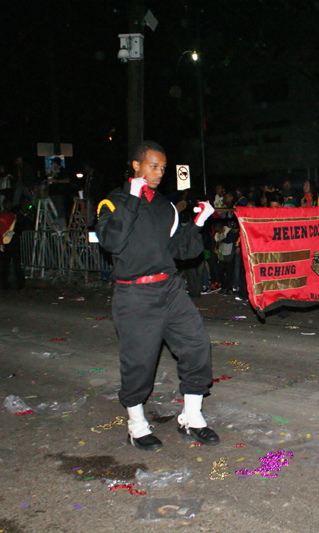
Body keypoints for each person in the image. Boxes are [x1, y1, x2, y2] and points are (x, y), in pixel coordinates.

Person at [95, 140, 219, 451]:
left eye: (163, 168)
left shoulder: (165, 207)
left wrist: (198, 223)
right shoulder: (113, 202)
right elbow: (111, 241)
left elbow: (179, 249)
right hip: (135, 294)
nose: (159, 173)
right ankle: (136, 425)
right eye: (153, 166)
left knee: (196, 344)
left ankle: (192, 417)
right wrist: (133, 199)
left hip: (170, 288)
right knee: (139, 361)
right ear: (136, 166)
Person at [0, 199, 24, 290]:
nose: (9, 206)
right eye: (7, 204)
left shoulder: (13, 216)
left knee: (16, 263)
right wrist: (0, 244)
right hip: (5, 242)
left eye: (10, 203)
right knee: (5, 264)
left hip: (13, 241)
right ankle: (5, 283)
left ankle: (19, 282)